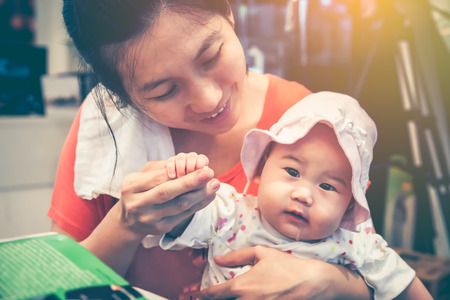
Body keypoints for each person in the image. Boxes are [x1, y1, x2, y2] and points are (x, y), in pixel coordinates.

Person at [50, 1, 375, 299]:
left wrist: (329, 282)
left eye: (211, 57)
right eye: (165, 90)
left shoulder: (306, 120)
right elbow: (57, 286)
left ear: (228, 13)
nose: (209, 100)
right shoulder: (108, 130)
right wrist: (125, 225)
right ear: (122, 96)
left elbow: (372, 263)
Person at [150, 92, 432, 300]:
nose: (303, 195)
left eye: (328, 187)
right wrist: (181, 179)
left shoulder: (356, 244)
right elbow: (174, 218)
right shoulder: (230, 210)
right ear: (263, 164)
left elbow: (409, 289)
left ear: (349, 204)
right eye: (292, 172)